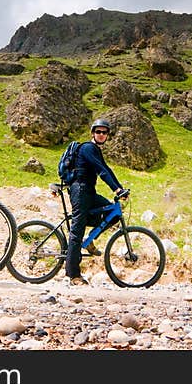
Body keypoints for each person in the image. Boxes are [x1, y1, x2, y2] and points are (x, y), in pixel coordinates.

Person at [65, 118, 127, 286]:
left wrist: (120, 188)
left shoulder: (96, 150)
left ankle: (90, 239)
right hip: (80, 191)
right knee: (76, 232)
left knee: (112, 214)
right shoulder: (87, 148)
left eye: (104, 132)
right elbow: (101, 172)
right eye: (98, 132)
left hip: (89, 192)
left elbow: (107, 169)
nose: (101, 135)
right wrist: (116, 190)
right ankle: (74, 275)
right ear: (93, 133)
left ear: (107, 135)